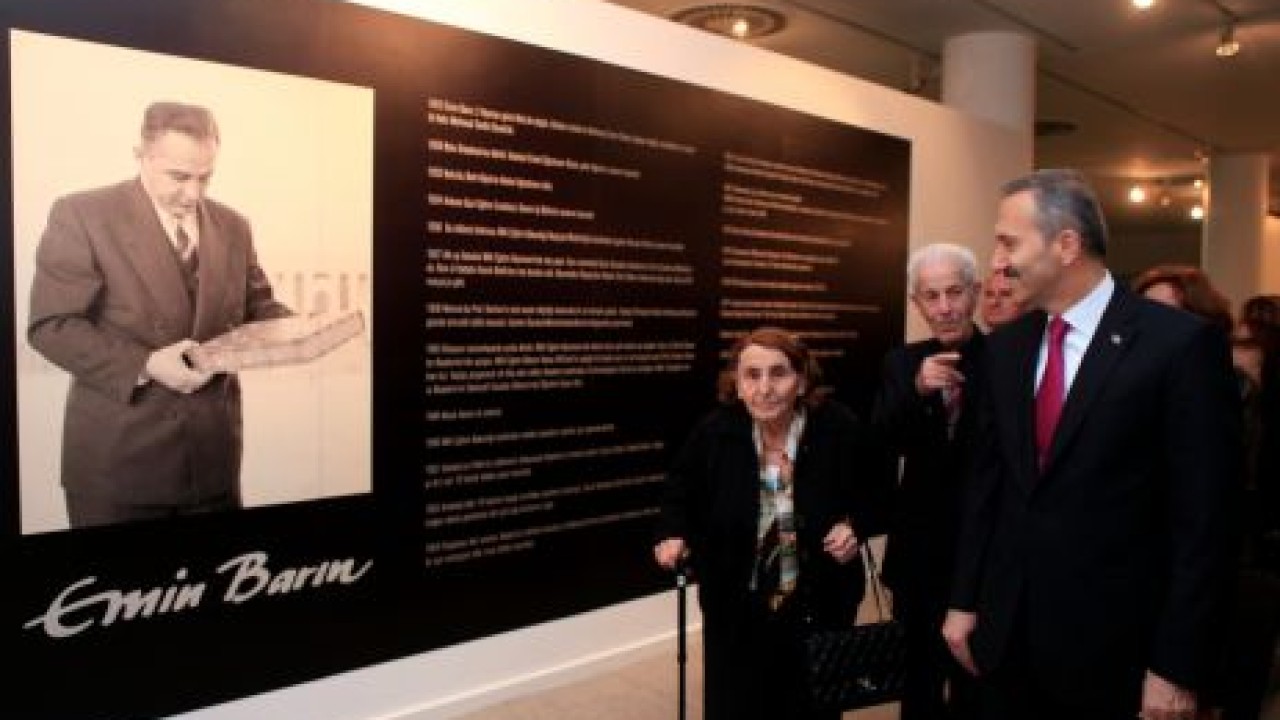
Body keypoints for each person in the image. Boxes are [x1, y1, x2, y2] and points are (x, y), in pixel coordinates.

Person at [941, 169, 1241, 720]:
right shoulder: (1006, 349)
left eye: (1008, 243)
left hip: (1118, 652)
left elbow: (1206, 523)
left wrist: (1177, 664)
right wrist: (963, 600)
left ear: (1066, 245)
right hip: (1007, 641)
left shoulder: (1178, 345)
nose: (997, 261)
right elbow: (987, 487)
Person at [28, 101, 292, 529]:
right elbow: (52, 327)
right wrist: (146, 364)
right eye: (179, 177)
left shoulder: (234, 225)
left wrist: (299, 327)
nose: (194, 194)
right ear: (141, 156)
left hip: (214, 466)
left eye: (205, 177)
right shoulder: (82, 214)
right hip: (117, 469)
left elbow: (257, 306)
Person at [653, 326, 875, 720]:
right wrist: (672, 533)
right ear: (737, 385)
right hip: (736, 605)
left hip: (817, 602)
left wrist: (855, 525)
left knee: (810, 705)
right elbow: (679, 490)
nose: (765, 388)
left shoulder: (837, 427)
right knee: (738, 703)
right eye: (752, 375)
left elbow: (877, 490)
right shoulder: (716, 431)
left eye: (779, 373)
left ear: (801, 381)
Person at [871, 242, 983, 720]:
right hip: (918, 552)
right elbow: (880, 442)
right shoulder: (901, 363)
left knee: (977, 683)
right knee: (918, 684)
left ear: (975, 293)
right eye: (930, 296)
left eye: (954, 292)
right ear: (916, 303)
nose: (944, 307)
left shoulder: (1006, 358)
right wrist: (916, 391)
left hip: (982, 552)